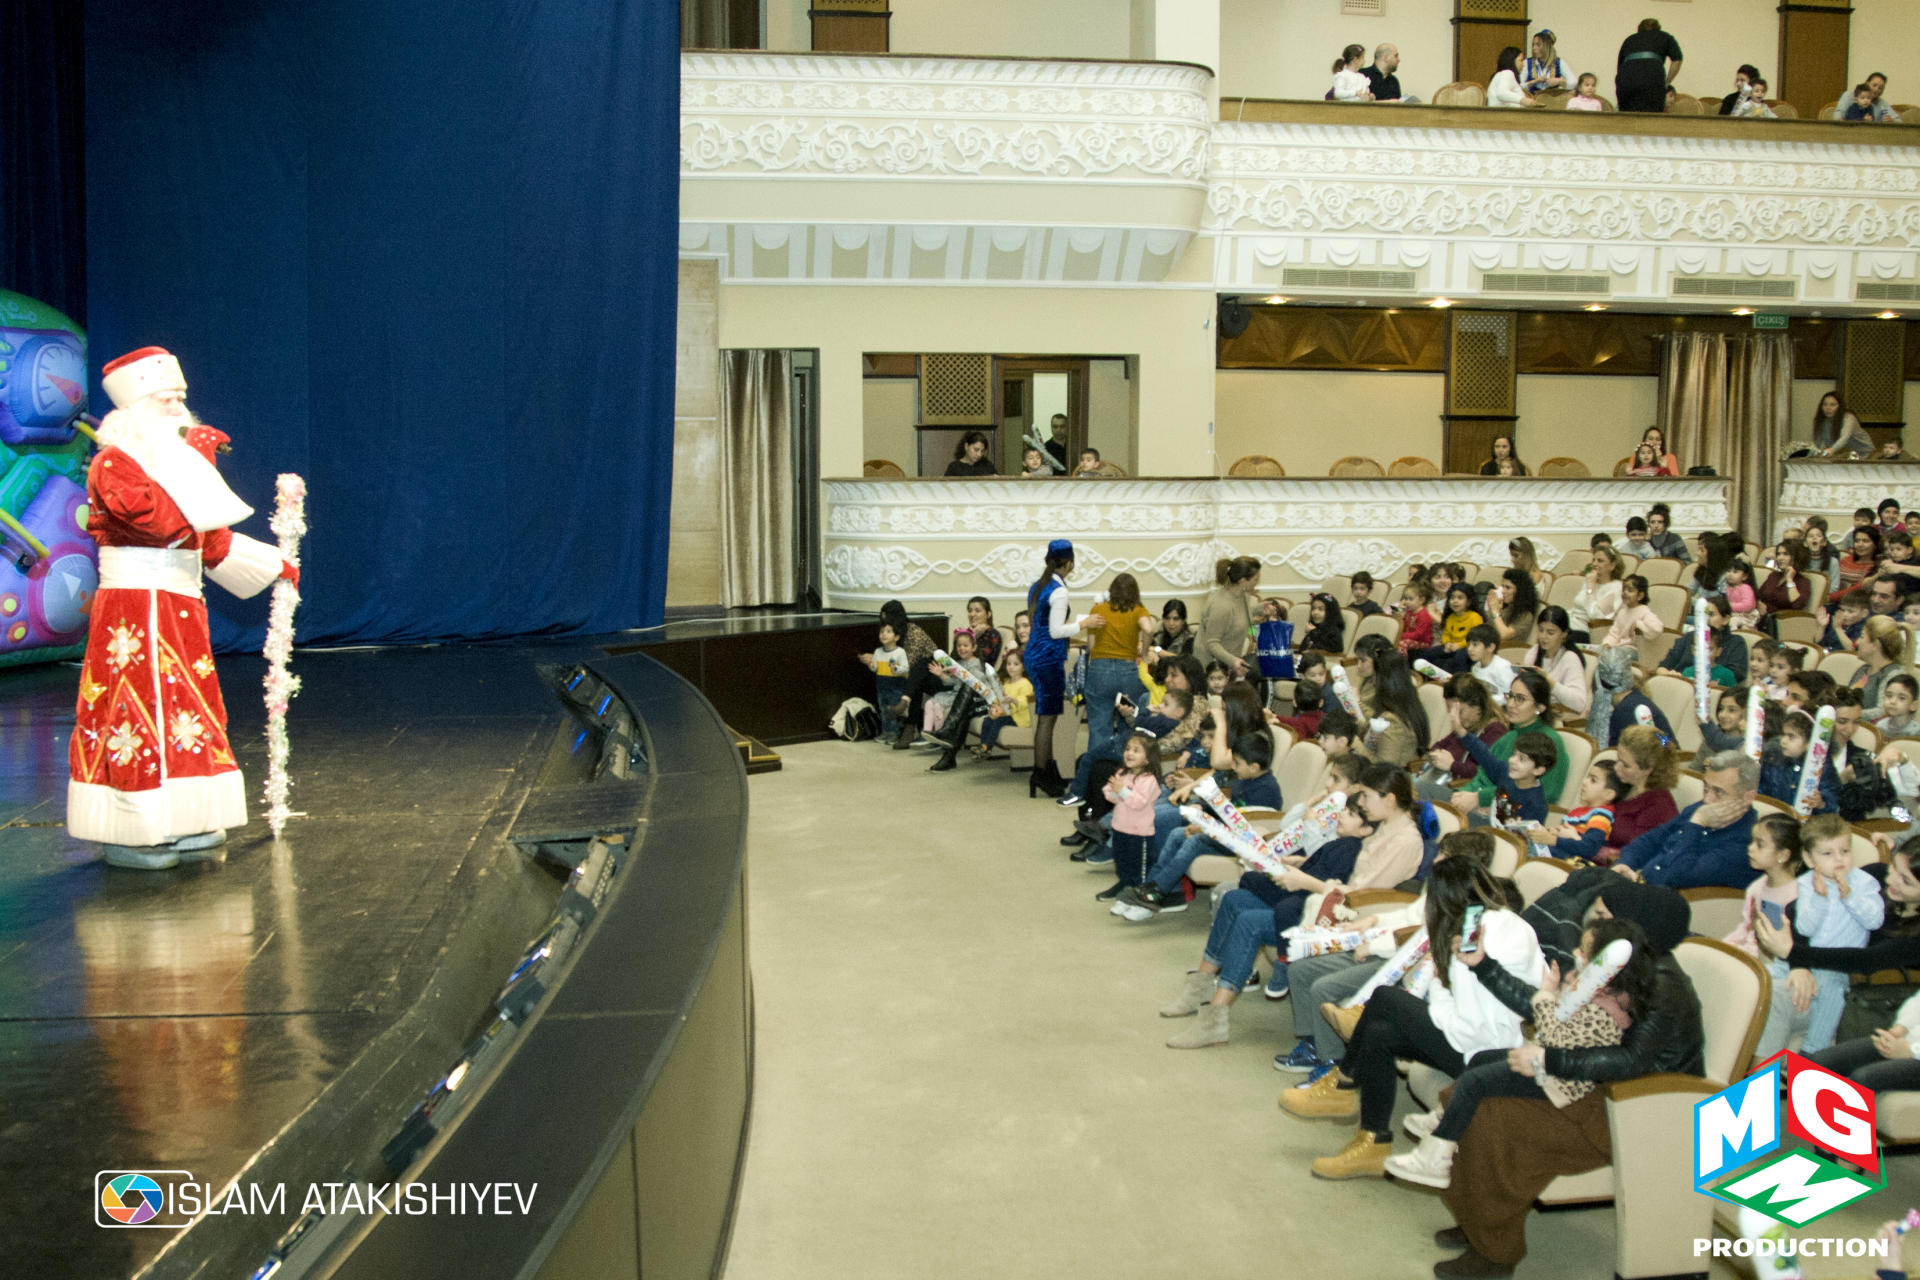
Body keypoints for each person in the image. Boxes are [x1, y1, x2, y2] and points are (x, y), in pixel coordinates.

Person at [68, 347, 299, 869]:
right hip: (133, 607)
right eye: (163, 399)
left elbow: (207, 541)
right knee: (136, 707)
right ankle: (131, 829)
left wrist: (272, 565)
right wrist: (198, 464)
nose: (176, 407)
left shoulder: (173, 461)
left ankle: (187, 817)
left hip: (179, 608)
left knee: (185, 707)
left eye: (179, 398)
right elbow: (156, 523)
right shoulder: (114, 462)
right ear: (133, 408)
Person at [1438, 880, 1700, 1277]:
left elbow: (1629, 1062)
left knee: (1494, 1118)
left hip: (1638, 1105)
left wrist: (1549, 1058)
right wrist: (1485, 967)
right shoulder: (1617, 969)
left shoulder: (1663, 986)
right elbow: (1551, 1009)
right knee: (1472, 1086)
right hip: (1591, 1081)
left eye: (1604, 917)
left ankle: (1495, 1252)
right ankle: (1477, 1215)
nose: (1592, 924)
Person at [1279, 857, 1546, 1181]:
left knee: (1385, 999)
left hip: (1488, 1052)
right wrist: (1443, 998)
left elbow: (1477, 1023)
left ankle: (1343, 1082)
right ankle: (1372, 1143)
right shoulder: (1468, 926)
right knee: (1378, 1032)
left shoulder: (1505, 932)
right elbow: (1448, 993)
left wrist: (1444, 1003)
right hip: (1465, 1034)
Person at [1386, 916, 1655, 1190]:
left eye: (1585, 952)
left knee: (1475, 1082)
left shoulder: (1605, 1010)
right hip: (1543, 1062)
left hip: (1557, 1081)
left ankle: (1435, 1158)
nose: (1576, 954)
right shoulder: (1587, 990)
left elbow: (1555, 1037)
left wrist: (1545, 997)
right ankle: (1445, 1116)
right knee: (1481, 1059)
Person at [1156, 770, 1418, 1047]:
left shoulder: (1403, 841)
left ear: (1389, 799)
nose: (1360, 802)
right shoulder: (1384, 827)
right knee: (1234, 900)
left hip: (1348, 919)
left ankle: (1214, 1020)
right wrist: (1303, 866)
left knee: (1250, 921)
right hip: (1326, 902)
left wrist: (1308, 881)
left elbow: (1366, 897)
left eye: (1366, 796)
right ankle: (1201, 984)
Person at [1058, 572, 1152, 807]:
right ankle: (1123, 780)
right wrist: (1145, 651)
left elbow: (1090, 645)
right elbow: (1148, 628)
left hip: (1099, 669)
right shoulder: (1138, 610)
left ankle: (1094, 787)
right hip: (1127, 671)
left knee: (1098, 729)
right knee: (1127, 726)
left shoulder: (1099, 609)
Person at [1612, 750, 1758, 889]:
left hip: (1671, 905)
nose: (1707, 799)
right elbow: (1650, 839)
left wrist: (1696, 824)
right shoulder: (1698, 809)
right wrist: (1625, 863)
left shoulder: (1746, 842)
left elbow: (1676, 876)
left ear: (1747, 797)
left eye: (1719, 792)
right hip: (1639, 885)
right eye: (1706, 788)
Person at [1453, 671, 1568, 819]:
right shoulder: (1510, 736)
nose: (1511, 704)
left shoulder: (1549, 741)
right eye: (1510, 696)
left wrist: (1481, 798)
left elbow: (1540, 793)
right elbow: (1485, 772)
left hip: (1505, 817)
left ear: (1540, 707)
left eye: (1520, 699)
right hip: (1474, 802)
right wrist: (1462, 795)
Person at [1022, 539, 1078, 796]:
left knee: (1049, 715)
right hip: (1048, 659)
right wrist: (1084, 623)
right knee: (1047, 719)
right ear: (1069, 563)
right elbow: (1056, 631)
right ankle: (1040, 775)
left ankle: (1049, 769)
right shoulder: (1059, 591)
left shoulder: (1038, 586)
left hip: (1035, 655)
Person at [1094, 732, 1163, 903]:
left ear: (1147, 759)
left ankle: (1137, 893)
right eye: (1128, 749)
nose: (1129, 753)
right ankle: (1123, 885)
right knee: (1121, 861)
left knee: (1138, 868)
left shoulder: (1149, 780)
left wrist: (1121, 790)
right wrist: (1112, 790)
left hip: (1140, 833)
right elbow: (1112, 797)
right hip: (1120, 828)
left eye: (1136, 750)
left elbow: (1138, 803)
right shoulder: (1123, 773)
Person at [1655, 594, 1747, 685]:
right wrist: (1670, 676)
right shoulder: (1688, 637)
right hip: (1679, 686)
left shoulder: (1736, 642)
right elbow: (1662, 667)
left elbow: (1735, 675)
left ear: (1726, 619)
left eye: (1710, 614)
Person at [1198, 556, 1260, 679]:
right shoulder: (1221, 606)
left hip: (1229, 663)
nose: (1257, 582)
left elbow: (1239, 618)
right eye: (1255, 579)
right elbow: (1212, 643)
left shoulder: (1242, 596)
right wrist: (1234, 661)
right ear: (1243, 581)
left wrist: (1261, 609)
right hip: (1213, 669)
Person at [1526, 605, 1590, 718]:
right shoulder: (1534, 651)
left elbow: (1579, 703)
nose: (1543, 636)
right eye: (1540, 630)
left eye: (1550, 633)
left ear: (1564, 634)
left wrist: (1551, 684)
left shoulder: (1570, 658)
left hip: (1551, 717)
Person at [1616, 18, 1684, 114]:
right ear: (1658, 29)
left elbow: (1620, 66)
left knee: (1627, 116)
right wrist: (1667, 82)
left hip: (1627, 79)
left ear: (1639, 29)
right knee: (1652, 117)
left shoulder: (1629, 39)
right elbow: (1677, 60)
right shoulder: (1665, 37)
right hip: (1652, 79)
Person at [1568, 547, 1623, 645]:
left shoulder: (1616, 588)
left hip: (1586, 632)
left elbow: (1595, 616)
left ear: (1612, 566)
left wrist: (1591, 588)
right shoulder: (1591, 581)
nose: (1594, 564)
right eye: (1593, 560)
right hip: (1570, 626)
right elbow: (1576, 607)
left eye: (1600, 561)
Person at [1600, 574, 1661, 651]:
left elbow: (1657, 629)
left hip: (1633, 651)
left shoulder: (1644, 612)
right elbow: (1614, 634)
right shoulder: (1622, 612)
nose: (1625, 592)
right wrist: (1607, 644)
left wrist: (1638, 624)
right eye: (1624, 589)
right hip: (1618, 649)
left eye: (1630, 590)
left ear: (1640, 596)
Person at [1811, 391, 1872, 457]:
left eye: (1832, 405)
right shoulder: (1822, 421)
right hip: (1842, 455)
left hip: (1864, 453)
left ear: (1840, 406)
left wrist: (1832, 450)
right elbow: (1817, 443)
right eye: (1825, 404)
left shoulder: (1849, 417)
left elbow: (1845, 437)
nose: (1828, 408)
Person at [1519, 30, 1570, 94]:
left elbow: (1574, 83)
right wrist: (1534, 82)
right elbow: (1518, 86)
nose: (1534, 48)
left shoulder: (1559, 62)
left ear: (1547, 46)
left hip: (1552, 102)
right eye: (1533, 45)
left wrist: (1559, 81)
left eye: (1538, 45)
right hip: (1531, 101)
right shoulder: (1527, 63)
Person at [964, 595, 1002, 670]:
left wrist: (973, 637)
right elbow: (954, 658)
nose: (972, 614)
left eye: (977, 611)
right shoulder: (967, 632)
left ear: (988, 614)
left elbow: (981, 662)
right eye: (970, 611)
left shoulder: (993, 634)